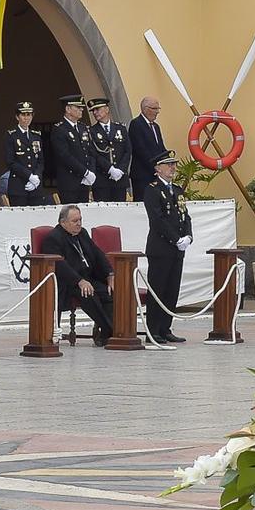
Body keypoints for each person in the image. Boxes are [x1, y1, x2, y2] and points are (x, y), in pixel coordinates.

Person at [41, 204, 114, 342]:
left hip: (88, 278)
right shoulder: (54, 238)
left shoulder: (82, 233)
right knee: (89, 294)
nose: (79, 224)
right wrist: (79, 281)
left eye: (80, 220)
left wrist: (110, 274)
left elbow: (98, 254)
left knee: (109, 292)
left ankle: (106, 332)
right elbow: (60, 265)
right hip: (69, 283)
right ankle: (112, 331)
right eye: (75, 221)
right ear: (63, 222)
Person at [141, 151, 192, 347]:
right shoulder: (152, 190)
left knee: (172, 290)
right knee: (158, 290)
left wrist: (188, 236)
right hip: (161, 248)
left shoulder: (178, 190)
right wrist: (175, 238)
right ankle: (153, 330)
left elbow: (185, 216)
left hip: (178, 249)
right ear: (157, 169)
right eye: (168, 164)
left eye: (173, 164)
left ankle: (165, 328)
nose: (172, 168)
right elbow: (157, 219)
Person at [47, 93, 94, 203]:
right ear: (68, 109)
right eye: (78, 107)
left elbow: (90, 152)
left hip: (84, 181)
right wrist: (85, 172)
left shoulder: (83, 127)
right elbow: (64, 155)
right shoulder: (59, 129)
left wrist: (91, 171)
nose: (81, 110)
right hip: (69, 181)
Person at [0, 101, 44, 205]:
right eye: (23, 115)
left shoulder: (36, 136)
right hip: (18, 187)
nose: (26, 118)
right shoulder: (11, 135)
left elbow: (40, 161)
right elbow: (10, 162)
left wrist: (36, 177)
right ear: (17, 117)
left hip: (36, 187)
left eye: (29, 115)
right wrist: (29, 176)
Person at [88, 98, 132, 202]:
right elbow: (94, 153)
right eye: (93, 111)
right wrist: (110, 169)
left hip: (120, 179)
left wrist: (121, 170)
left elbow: (128, 150)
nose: (95, 113)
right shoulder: (91, 131)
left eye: (97, 109)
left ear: (107, 109)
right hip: (102, 180)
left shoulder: (120, 128)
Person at [129, 96, 169, 175]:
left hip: (158, 172)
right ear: (145, 109)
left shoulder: (156, 126)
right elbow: (140, 150)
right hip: (143, 174)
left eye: (158, 109)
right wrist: (156, 167)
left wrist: (168, 161)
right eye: (155, 109)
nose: (157, 112)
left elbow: (161, 148)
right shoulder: (136, 124)